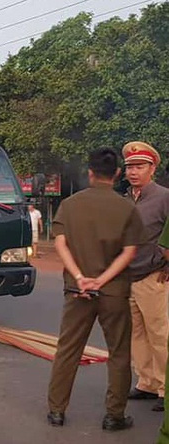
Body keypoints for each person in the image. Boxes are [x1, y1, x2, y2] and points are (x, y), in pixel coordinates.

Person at [46, 148, 143, 431]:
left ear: (90, 172)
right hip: (113, 292)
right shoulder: (127, 208)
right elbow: (129, 252)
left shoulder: (70, 205)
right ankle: (114, 415)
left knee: (68, 350)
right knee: (119, 353)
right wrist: (101, 281)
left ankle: (57, 411)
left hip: (77, 291)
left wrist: (80, 277)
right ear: (116, 174)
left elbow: (61, 244)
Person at [122, 141, 169, 413]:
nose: (134, 172)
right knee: (136, 334)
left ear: (152, 168)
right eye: (129, 167)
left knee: (159, 333)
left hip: (153, 275)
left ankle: (165, 386)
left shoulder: (164, 197)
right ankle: (147, 382)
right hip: (128, 275)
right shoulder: (125, 199)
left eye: (140, 166)